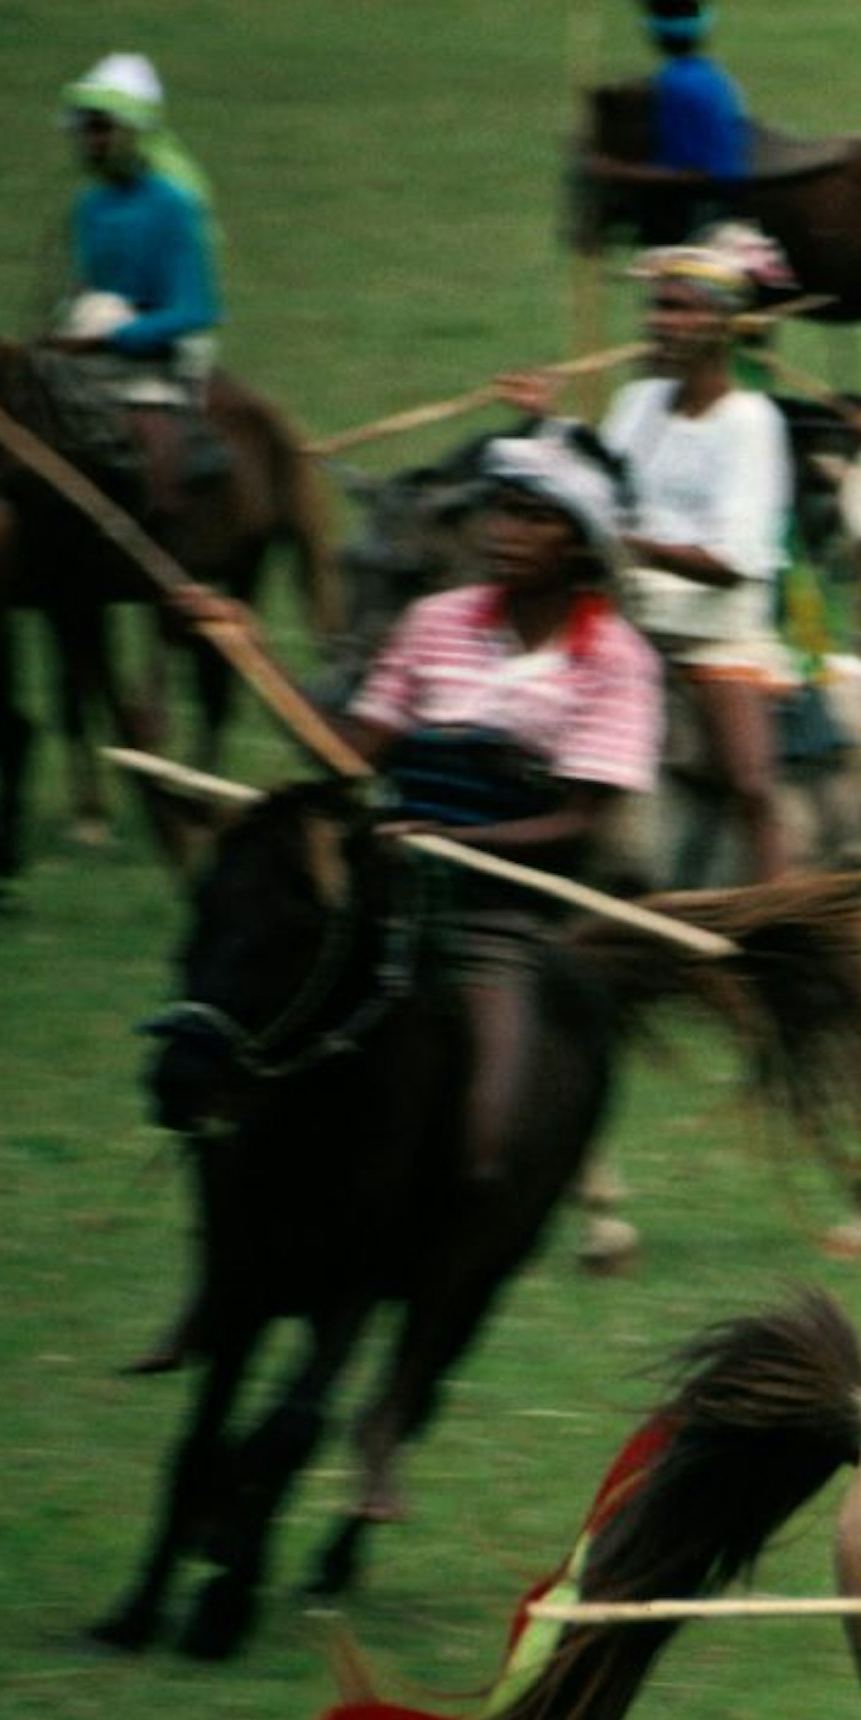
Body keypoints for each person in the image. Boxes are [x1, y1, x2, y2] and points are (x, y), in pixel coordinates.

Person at [333, 436, 665, 1195]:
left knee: (483, 1142)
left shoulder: (616, 659)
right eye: (498, 513)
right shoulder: (433, 621)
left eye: (530, 518)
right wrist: (243, 646)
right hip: (384, 885)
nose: (500, 532)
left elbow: (579, 820)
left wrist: (451, 843)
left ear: (579, 545)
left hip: (498, 916)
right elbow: (355, 756)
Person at [493, 231, 801, 877]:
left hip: (714, 637)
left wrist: (630, 546)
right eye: (659, 307)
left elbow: (736, 558)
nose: (662, 322)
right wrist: (543, 422)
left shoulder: (752, 421)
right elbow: (593, 484)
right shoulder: (639, 402)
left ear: (723, 327)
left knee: (750, 781)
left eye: (682, 309)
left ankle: (779, 908)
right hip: (624, 618)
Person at [52, 53, 222, 523]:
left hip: (159, 358)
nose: (93, 141)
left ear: (131, 131)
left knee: (147, 433)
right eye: (87, 129)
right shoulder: (89, 206)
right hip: (91, 354)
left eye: (103, 128)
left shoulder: (172, 204)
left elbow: (195, 309)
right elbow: (91, 286)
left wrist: (113, 337)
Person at [591, 0, 750, 242]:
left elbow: (691, 174)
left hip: (701, 213)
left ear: (653, 33)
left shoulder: (671, 85)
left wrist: (614, 170)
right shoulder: (716, 77)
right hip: (732, 199)